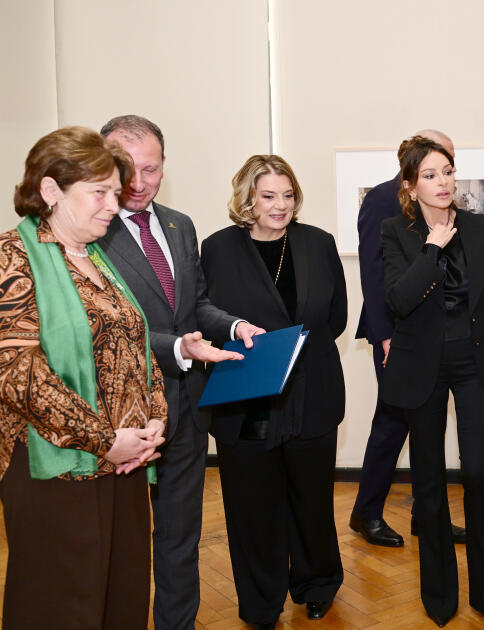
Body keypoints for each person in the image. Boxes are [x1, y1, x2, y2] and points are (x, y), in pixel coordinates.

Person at [98, 115, 265, 630]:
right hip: (119, 418)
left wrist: (233, 325)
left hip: (187, 408)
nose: (138, 182)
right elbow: (100, 331)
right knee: (120, 545)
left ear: (165, 165)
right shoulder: (91, 229)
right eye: (126, 168)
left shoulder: (179, 224)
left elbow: (194, 306)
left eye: (150, 169)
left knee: (180, 537)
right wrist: (178, 347)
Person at [0, 126, 168, 627]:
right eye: (100, 192)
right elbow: (18, 372)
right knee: (63, 604)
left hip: (123, 465)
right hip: (54, 469)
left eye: (116, 192)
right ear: (51, 190)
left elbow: (136, 347)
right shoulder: (12, 256)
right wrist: (104, 440)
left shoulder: (95, 256)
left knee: (122, 598)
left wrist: (153, 423)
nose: (114, 205)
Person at [380, 136, 484, 628]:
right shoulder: (395, 232)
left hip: (474, 364)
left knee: (478, 475)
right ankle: (440, 593)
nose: (443, 182)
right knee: (429, 481)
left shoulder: (483, 228)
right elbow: (398, 300)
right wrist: (431, 247)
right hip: (421, 367)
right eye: (430, 175)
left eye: (447, 171)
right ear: (410, 186)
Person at [200, 155, 347, 628]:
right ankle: (262, 603)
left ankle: (317, 584)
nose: (280, 205)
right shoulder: (218, 248)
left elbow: (337, 316)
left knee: (312, 501)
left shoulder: (318, 243)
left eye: (287, 195)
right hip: (246, 399)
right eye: (268, 196)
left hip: (311, 393)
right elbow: (203, 314)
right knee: (253, 510)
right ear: (248, 198)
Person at [351, 128, 466, 547]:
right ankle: (366, 513)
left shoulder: (450, 206)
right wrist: (385, 336)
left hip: (437, 334)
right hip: (397, 334)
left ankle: (427, 514)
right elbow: (373, 273)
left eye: (449, 166)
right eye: (435, 165)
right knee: (393, 422)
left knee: (427, 426)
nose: (445, 175)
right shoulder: (381, 199)